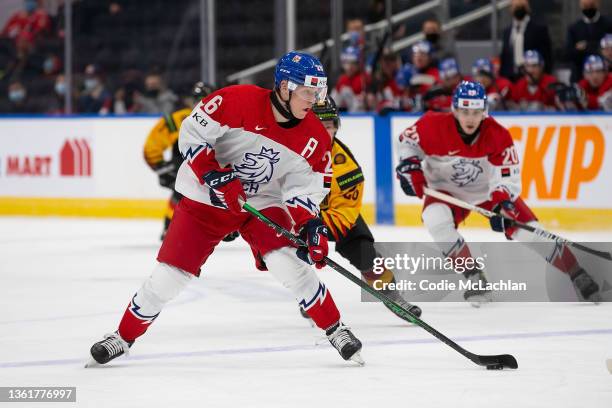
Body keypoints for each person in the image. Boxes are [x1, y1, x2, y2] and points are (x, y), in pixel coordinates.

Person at [87, 51, 364, 367]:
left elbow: (304, 187)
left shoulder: (314, 135)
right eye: (307, 91)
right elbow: (192, 134)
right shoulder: (237, 100)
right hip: (207, 198)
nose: (313, 100)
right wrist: (215, 175)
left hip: (261, 202)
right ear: (285, 87)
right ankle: (121, 338)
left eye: (318, 92)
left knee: (289, 263)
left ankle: (335, 329)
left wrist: (309, 225)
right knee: (169, 277)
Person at [395, 81, 600, 306]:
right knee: (435, 219)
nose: (470, 118)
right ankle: (474, 276)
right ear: (454, 109)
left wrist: (500, 203)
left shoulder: (498, 135)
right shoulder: (432, 124)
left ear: (485, 111)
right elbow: (407, 142)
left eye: (476, 112)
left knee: (530, 234)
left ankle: (577, 273)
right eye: (464, 112)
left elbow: (508, 178)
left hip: (488, 193)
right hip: (445, 190)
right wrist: (409, 166)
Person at [311, 97, 422, 319]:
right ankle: (310, 296)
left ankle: (390, 292)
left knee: (364, 250)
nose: (324, 133)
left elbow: (345, 211)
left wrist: (319, 230)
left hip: (331, 217)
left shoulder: (345, 165)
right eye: (317, 126)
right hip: (296, 215)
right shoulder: (287, 151)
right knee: (290, 252)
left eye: (329, 127)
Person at [143, 81, 218, 239]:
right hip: (185, 170)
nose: (201, 102)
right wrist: (161, 167)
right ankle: (170, 228)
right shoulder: (179, 119)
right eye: (198, 98)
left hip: (210, 172)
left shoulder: (223, 121)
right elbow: (152, 146)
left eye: (205, 98)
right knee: (181, 194)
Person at [499, 0, 552, 81]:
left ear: (528, 8)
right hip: (510, 78)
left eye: (521, 6)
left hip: (533, 78)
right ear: (510, 9)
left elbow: (547, 56)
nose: (519, 8)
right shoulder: (507, 32)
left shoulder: (539, 30)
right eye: (516, 6)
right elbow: (505, 57)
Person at [566, 0, 612, 82]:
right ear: (581, 5)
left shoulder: (609, 25)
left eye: (591, 5)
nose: (588, 9)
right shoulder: (574, 28)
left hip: (607, 77)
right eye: (585, 6)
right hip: (580, 77)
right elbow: (569, 53)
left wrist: (586, 46)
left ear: (598, 4)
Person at [331, 46, 369, 112]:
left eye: (353, 63)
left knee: (346, 91)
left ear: (358, 64)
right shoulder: (342, 79)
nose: (349, 67)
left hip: (360, 114)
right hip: (344, 114)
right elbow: (333, 98)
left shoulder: (363, 78)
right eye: (346, 63)